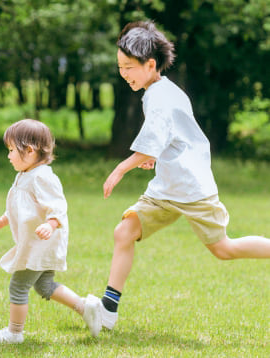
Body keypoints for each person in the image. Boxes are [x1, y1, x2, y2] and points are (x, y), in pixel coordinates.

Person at [100, 20, 270, 330]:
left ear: (150, 64)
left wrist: (121, 168)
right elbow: (168, 138)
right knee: (124, 232)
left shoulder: (161, 96)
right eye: (120, 66)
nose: (124, 73)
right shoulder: (160, 90)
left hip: (192, 188)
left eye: (129, 67)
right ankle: (107, 310)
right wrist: (155, 155)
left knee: (224, 249)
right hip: (167, 188)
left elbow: (154, 142)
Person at [0, 119, 101, 343]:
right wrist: (2, 220)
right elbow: (22, 207)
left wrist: (51, 224)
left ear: (29, 150)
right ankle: (86, 308)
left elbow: (57, 206)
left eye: (11, 150)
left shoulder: (42, 177)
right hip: (39, 243)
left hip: (40, 243)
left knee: (18, 286)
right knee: (44, 285)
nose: (8, 156)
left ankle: (14, 333)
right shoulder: (25, 175)